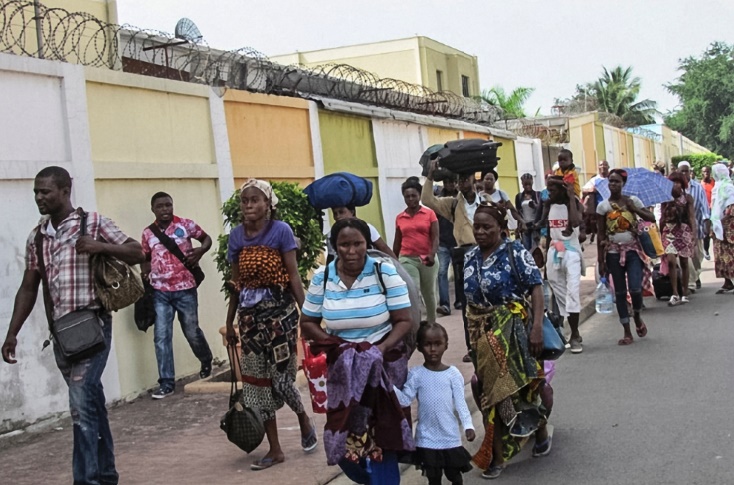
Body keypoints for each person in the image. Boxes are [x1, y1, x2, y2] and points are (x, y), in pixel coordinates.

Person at [2, 166, 145, 485]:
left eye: (46, 191)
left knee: (81, 406)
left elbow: (137, 251)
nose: (39, 197)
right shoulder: (37, 236)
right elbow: (29, 286)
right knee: (91, 404)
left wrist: (100, 247)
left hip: (93, 328)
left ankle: (87, 480)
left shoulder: (93, 223)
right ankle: (106, 475)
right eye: (36, 192)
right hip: (62, 336)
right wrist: (12, 332)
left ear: (65, 191)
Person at [300, 217, 415, 484]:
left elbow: (404, 320)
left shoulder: (384, 272)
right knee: (342, 433)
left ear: (367, 244)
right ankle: (365, 477)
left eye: (357, 244)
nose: (351, 251)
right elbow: (307, 323)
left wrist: (377, 349)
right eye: (344, 245)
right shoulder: (323, 276)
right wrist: (339, 346)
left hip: (382, 366)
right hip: (344, 369)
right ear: (334, 246)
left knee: (382, 435)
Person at [224, 179, 316, 471]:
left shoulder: (281, 231)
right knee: (256, 385)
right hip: (250, 320)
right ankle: (275, 450)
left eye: (255, 200)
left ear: (268, 204)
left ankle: (303, 418)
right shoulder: (236, 237)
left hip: (280, 317)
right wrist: (229, 323)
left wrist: (309, 317)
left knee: (281, 381)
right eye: (245, 201)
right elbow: (236, 285)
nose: (249, 205)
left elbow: (293, 277)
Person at [463, 201, 551, 480]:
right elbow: (468, 304)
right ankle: (497, 452)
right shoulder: (470, 257)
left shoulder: (515, 252)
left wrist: (536, 327)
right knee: (489, 391)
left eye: (486, 227)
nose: (480, 232)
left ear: (502, 229)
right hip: (481, 333)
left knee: (517, 388)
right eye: (476, 226)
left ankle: (537, 432)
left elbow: (535, 287)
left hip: (513, 329)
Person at [141, 192, 213, 399]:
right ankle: (166, 382)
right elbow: (145, 256)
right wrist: (144, 273)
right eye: (160, 206)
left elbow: (206, 238)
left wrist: (200, 251)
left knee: (191, 331)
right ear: (153, 209)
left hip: (185, 289)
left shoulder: (186, 225)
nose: (165, 209)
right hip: (160, 291)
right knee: (162, 336)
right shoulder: (148, 233)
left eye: (168, 205)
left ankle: (206, 359)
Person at [421, 160, 488, 363]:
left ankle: (490, 342)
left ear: (473, 181)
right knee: (468, 305)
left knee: (488, 301)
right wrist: (430, 176)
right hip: (464, 257)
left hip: (485, 254)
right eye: (459, 180)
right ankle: (472, 347)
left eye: (465, 179)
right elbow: (428, 200)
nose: (461, 183)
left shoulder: (485, 202)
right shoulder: (452, 204)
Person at [394, 323, 475, 485]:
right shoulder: (416, 374)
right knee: (433, 478)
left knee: (454, 475)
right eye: (428, 344)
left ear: (446, 345)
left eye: (437, 344)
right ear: (419, 347)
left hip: (450, 436)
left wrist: (468, 425)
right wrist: (389, 385)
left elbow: (460, 403)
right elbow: (404, 400)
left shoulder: (453, 374)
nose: (433, 349)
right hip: (426, 438)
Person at [596, 169, 656, 346]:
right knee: (620, 293)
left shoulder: (633, 201)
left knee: (636, 289)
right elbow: (600, 235)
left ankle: (637, 315)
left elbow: (651, 217)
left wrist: (634, 209)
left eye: (616, 182)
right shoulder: (603, 207)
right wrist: (601, 261)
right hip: (613, 253)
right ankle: (627, 331)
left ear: (623, 184)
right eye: (611, 182)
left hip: (633, 252)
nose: (613, 185)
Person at [543, 176, 584, 353]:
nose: (549, 192)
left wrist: (571, 196)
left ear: (562, 190)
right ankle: (569, 330)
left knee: (572, 292)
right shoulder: (549, 205)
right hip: (554, 251)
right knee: (560, 294)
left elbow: (575, 222)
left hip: (572, 252)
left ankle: (575, 334)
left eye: (552, 190)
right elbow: (548, 233)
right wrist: (545, 259)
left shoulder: (573, 203)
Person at [394, 177, 439, 324]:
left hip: (427, 258)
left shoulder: (429, 214)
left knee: (429, 292)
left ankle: (431, 323)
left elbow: (435, 237)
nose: (410, 199)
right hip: (407, 258)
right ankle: (415, 323)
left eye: (413, 195)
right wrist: (394, 260)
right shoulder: (400, 217)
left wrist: (432, 255)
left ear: (419, 196)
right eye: (407, 196)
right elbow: (397, 241)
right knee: (413, 290)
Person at [659, 172, 696, 306]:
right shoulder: (665, 199)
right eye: (673, 182)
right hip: (668, 231)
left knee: (684, 262)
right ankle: (674, 293)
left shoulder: (687, 198)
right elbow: (662, 217)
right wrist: (659, 235)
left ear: (683, 184)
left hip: (684, 231)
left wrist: (694, 236)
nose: (676, 185)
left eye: (678, 182)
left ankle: (684, 292)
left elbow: (691, 217)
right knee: (671, 261)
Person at [677, 161, 710, 291]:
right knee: (685, 256)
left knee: (697, 255)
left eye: (686, 171)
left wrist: (707, 222)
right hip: (681, 228)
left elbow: (704, 206)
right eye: (681, 171)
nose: (684, 173)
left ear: (690, 172)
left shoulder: (697, 187)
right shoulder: (675, 188)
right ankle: (690, 281)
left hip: (696, 226)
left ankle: (696, 275)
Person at [329, 205, 396, 259]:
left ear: (352, 212)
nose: (338, 217)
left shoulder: (367, 228)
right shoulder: (332, 234)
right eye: (335, 214)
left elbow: (383, 248)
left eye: (341, 212)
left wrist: (399, 268)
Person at [435, 179, 460, 316]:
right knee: (441, 273)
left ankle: (459, 301)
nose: (451, 184)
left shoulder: (460, 198)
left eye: (452, 182)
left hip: (457, 241)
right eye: (448, 182)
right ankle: (445, 304)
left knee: (458, 273)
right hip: (442, 241)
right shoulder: (438, 200)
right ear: (444, 183)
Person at [710, 164, 734, 293]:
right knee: (720, 254)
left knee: (730, 253)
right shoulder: (717, 187)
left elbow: (731, 207)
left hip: (727, 226)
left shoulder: (728, 187)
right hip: (717, 224)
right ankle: (727, 281)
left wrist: (721, 221)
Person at [582, 160, 610, 243]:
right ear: (598, 167)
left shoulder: (611, 178)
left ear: (608, 167)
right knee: (601, 230)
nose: (603, 167)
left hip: (611, 207)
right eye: (601, 165)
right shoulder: (595, 180)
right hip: (599, 209)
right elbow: (584, 189)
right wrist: (593, 190)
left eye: (605, 165)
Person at [515, 173, 542, 250]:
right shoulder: (519, 197)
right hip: (525, 227)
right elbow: (518, 213)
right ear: (522, 184)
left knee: (535, 249)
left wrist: (535, 206)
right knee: (526, 249)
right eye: (525, 184)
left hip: (535, 227)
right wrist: (518, 228)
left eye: (529, 184)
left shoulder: (538, 195)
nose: (527, 186)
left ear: (532, 182)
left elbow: (542, 210)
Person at [700, 165, 716, 260]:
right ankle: (706, 250)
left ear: (710, 172)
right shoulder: (700, 185)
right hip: (705, 211)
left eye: (707, 171)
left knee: (716, 232)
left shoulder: (714, 183)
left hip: (715, 211)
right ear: (702, 173)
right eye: (704, 171)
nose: (706, 173)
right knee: (706, 233)